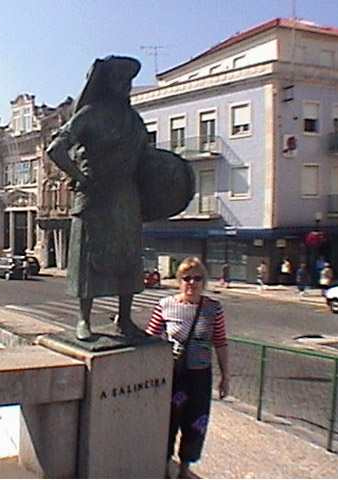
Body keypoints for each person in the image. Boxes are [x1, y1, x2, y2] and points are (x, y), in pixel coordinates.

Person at [46, 55, 194, 341]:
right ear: (107, 83)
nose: (126, 86)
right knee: (88, 261)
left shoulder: (133, 120)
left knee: (129, 259)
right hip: (94, 198)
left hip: (126, 197)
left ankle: (124, 319)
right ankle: (84, 321)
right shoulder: (89, 114)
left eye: (128, 81)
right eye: (120, 80)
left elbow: (145, 159)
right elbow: (56, 149)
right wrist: (80, 177)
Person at [145, 257, 229, 479]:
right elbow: (150, 337)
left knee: (196, 422)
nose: (192, 283)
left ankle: (184, 469)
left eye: (197, 278)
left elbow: (220, 342)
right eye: (186, 278)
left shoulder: (213, 309)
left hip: (200, 377)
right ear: (179, 281)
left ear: (204, 281)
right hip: (173, 375)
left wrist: (225, 376)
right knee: (168, 421)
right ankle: (164, 466)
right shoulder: (165, 305)